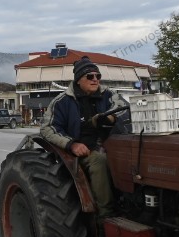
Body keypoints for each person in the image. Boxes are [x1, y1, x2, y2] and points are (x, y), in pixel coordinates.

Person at [41, 56, 126, 219]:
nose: (95, 80)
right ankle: (106, 215)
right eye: (90, 76)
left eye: (98, 76)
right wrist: (72, 144)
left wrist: (110, 117)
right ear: (79, 79)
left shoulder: (109, 95)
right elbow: (47, 128)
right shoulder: (62, 102)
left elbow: (122, 107)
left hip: (111, 145)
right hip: (84, 150)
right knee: (99, 161)